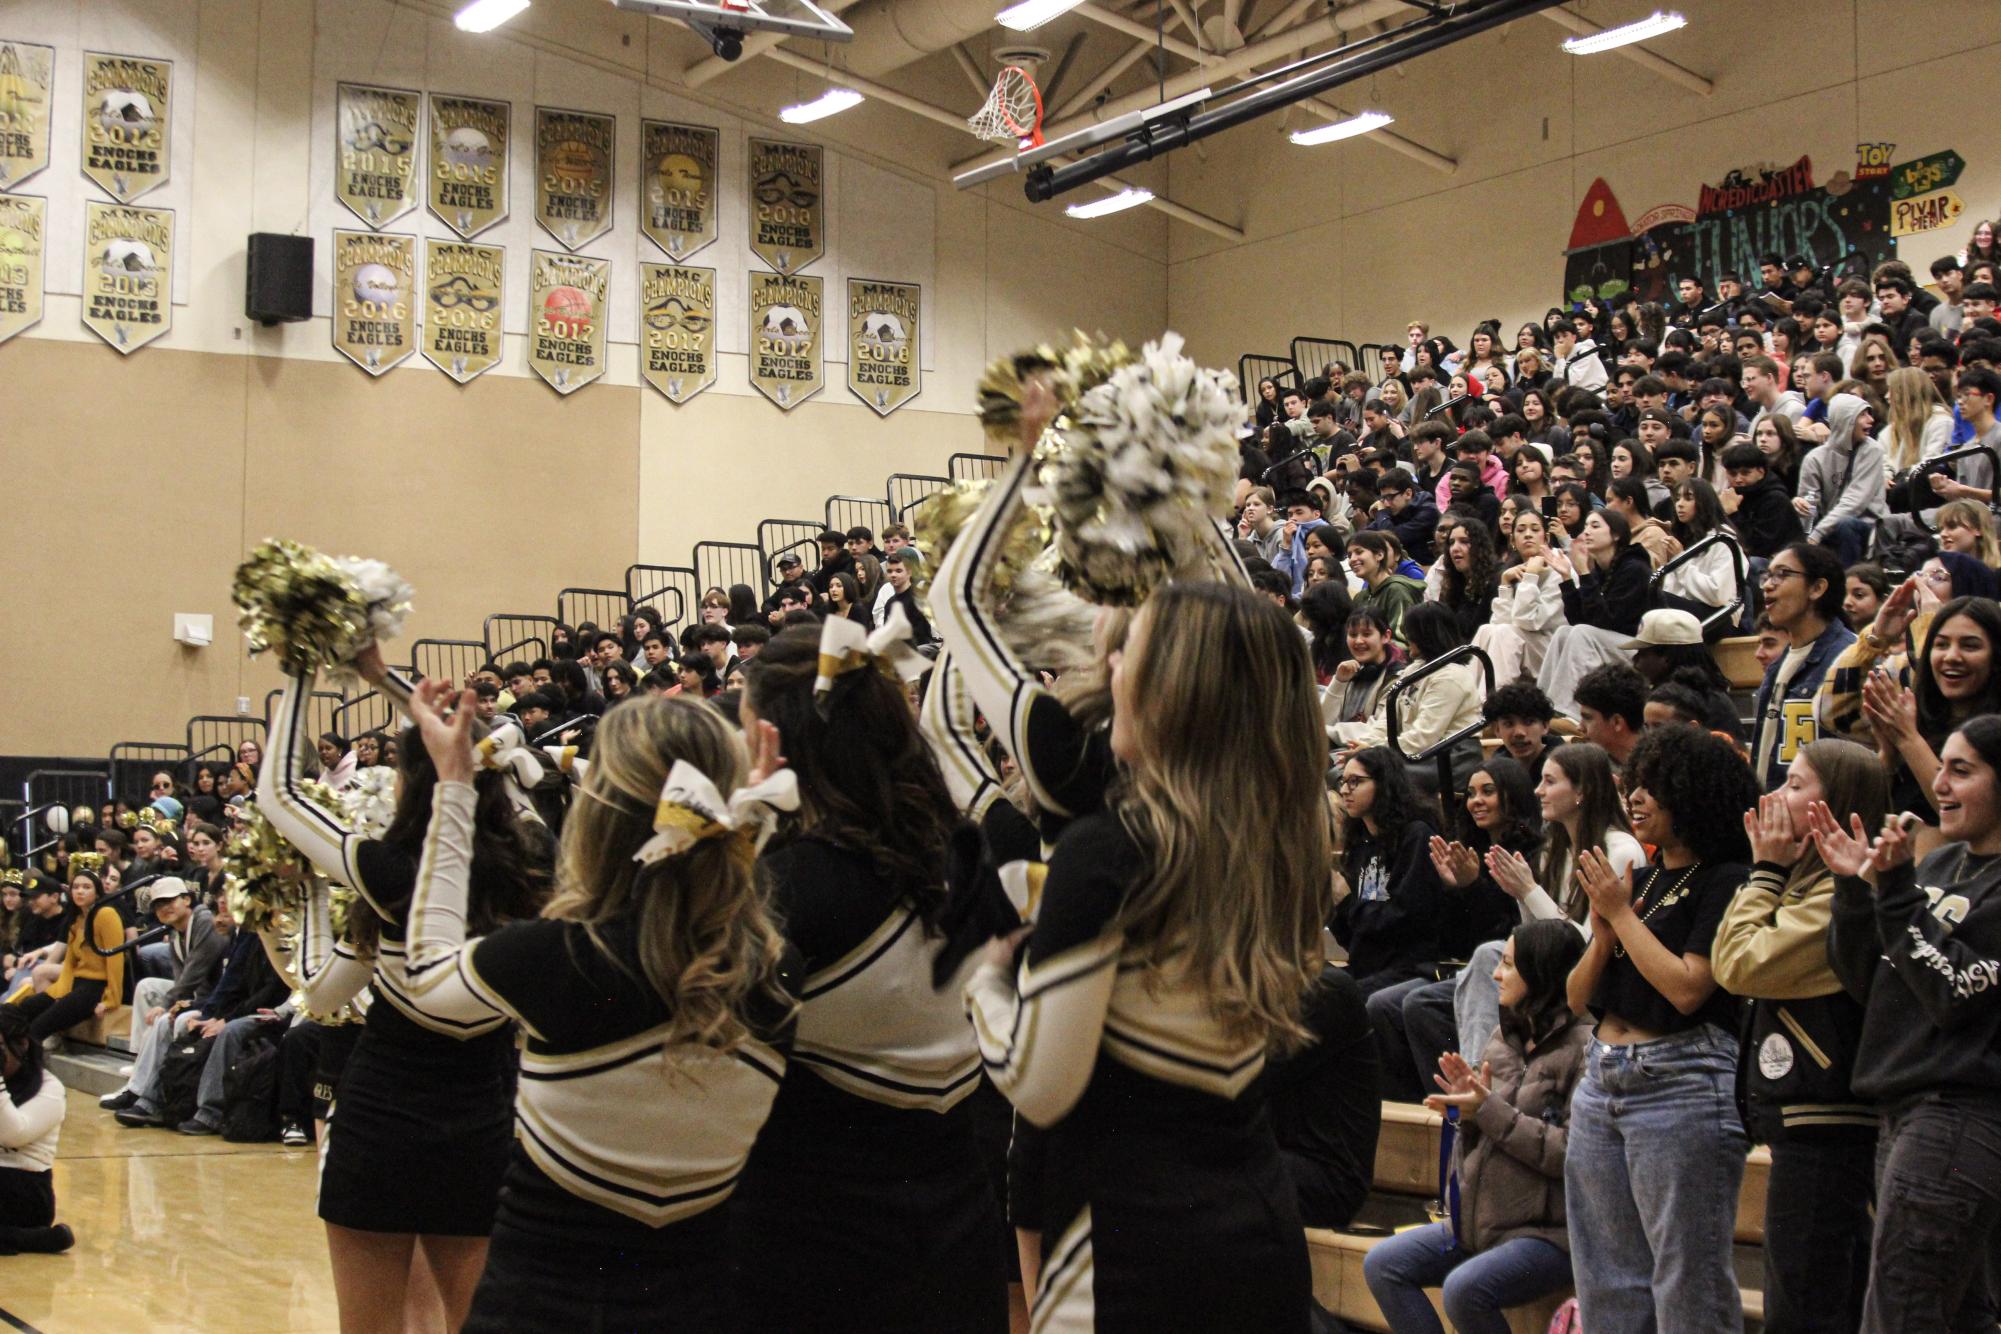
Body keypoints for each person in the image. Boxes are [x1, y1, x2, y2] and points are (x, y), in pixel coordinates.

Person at [366, 681, 802, 1330]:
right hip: (702, 1309)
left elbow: (425, 978)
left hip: (539, 1311)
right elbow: (704, 900)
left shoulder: (554, 957)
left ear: (599, 811)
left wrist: (453, 785)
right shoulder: (771, 970)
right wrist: (752, 821)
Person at [965, 582, 1326, 1331]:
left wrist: (987, 986)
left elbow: (1038, 1086)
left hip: (1125, 1244)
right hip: (1258, 1225)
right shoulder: (1279, 842)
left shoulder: (1110, 850)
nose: (1112, 671)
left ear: (1177, 691)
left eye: (1131, 653)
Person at [256, 650, 552, 1333]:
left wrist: (302, 666)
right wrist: (383, 677)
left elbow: (279, 795)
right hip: (483, 1125)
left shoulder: (390, 875)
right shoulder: (529, 865)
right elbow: (467, 753)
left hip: (381, 1125)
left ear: (405, 786)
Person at [733, 623, 1007, 1333]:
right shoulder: (960, 854)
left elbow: (704, 1060)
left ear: (769, 741)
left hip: (813, 1252)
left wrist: (747, 838)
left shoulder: (786, 888)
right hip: (959, 1235)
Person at [1563, 724, 1761, 1333]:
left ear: (1694, 795)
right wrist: (1602, 936)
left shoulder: (1727, 879)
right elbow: (1575, 1001)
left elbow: (1687, 986)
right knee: (1606, 1279)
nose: (1636, 798)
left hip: (1684, 1079)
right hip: (1601, 1081)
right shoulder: (1642, 881)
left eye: (1655, 786)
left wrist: (1621, 916)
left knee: (1687, 1282)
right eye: (1634, 784)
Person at [1819, 716, 2001, 1330]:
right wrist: (1852, 892)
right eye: (1940, 766)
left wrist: (1895, 891)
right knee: (1958, 1316)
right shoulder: (1943, 865)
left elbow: (1953, 991)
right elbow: (1872, 982)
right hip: (1903, 1112)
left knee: (1901, 1312)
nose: (1940, 785)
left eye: (1962, 770)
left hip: (1960, 1116)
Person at [1712, 739, 1888, 1334]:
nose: (1774, 797)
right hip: (1802, 1125)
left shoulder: (1844, 896)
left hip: (1829, 1123)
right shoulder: (1802, 884)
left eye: (1796, 784)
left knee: (1806, 1311)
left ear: (1835, 805)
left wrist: (1763, 872)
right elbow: (1730, 957)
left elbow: (1738, 964)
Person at [1362, 920, 1590, 1334]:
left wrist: (1487, 1111)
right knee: (1383, 1264)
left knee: (1465, 1289)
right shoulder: (1502, 1039)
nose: (1496, 975)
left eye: (1508, 965)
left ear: (1540, 973)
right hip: (1483, 1222)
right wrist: (1466, 1116)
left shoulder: (1585, 1051)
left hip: (1549, 1234)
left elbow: (1569, 1154)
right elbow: (1484, 1138)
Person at [1332, 746, 1445, 997]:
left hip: (1408, 969)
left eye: (1355, 782)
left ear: (1383, 784)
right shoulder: (1361, 844)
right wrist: (1337, 905)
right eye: (1343, 782)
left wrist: (1348, 901)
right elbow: (1353, 934)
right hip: (1367, 968)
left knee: (1334, 999)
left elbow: (1403, 920)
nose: (1344, 790)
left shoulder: (1416, 836)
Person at [1748, 542, 1855, 792]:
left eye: (1782, 574)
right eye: (1767, 575)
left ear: (1817, 588)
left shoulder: (1848, 658)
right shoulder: (1779, 664)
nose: (1767, 584)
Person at [1535, 510, 1653, 718]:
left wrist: (1583, 573)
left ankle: (1568, 713)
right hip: (1611, 644)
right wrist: (1566, 577)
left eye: (1595, 526)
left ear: (1616, 535)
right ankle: (1541, 708)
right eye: (1586, 526)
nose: (1587, 532)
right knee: (1564, 632)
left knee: (1581, 633)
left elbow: (1608, 622)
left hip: (1640, 650)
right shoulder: (1599, 569)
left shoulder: (1635, 568)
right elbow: (1578, 619)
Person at [2, 867, 122, 1041]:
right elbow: (70, 964)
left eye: (86, 887)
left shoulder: (106, 914)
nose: (80, 891)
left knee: (37, 1028)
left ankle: (31, 1065)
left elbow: (115, 959)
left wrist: (110, 999)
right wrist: (57, 992)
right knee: (14, 1011)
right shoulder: (75, 920)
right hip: (74, 982)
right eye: (76, 887)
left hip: (95, 986)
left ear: (97, 892)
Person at [0, 1007, 71, 1256]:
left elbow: (12, 1134)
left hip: (26, 1190)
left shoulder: (50, 1088)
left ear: (21, 1044)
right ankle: (27, 1240)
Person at [1795, 392, 1888, 565]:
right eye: (1863, 415)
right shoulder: (1814, 458)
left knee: (1846, 525)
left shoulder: (1872, 450)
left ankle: (1849, 582)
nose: (1871, 420)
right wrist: (1800, 506)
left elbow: (1855, 501)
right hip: (1828, 527)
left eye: (1870, 413)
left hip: (1870, 527)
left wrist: (1817, 534)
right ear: (1845, 420)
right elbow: (1810, 504)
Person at [1475, 508, 1565, 685]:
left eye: (1535, 529)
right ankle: (1468, 699)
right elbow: (1499, 622)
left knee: (1505, 633)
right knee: (1486, 630)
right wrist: (1505, 584)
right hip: (1524, 643)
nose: (1528, 535)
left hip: (1553, 650)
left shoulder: (1560, 568)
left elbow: (1528, 620)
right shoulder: (1515, 569)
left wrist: (1530, 578)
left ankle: (1491, 703)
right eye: (1521, 530)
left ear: (1546, 537)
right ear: (1512, 540)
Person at [1347, 532, 1427, 639]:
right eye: (1349, 555)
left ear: (1379, 555)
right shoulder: (1360, 598)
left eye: (1359, 552)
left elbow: (1402, 640)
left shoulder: (1397, 591)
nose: (1352, 559)